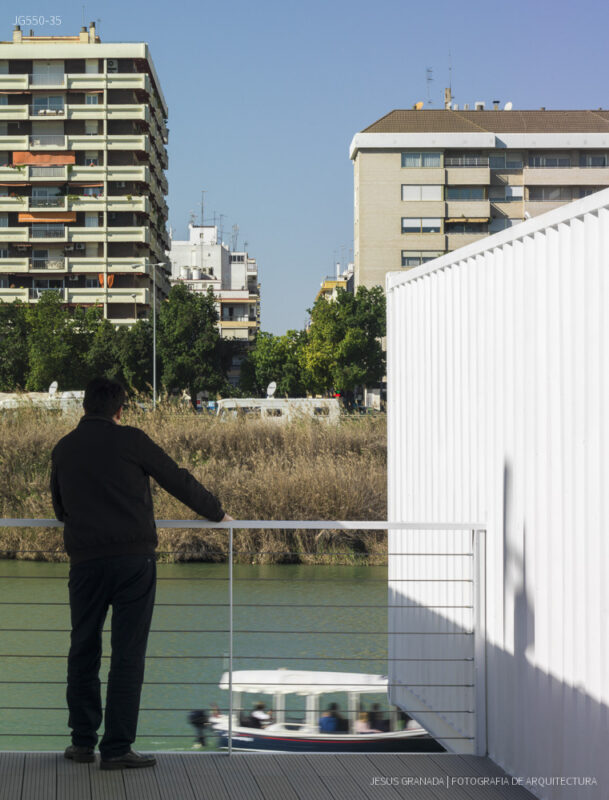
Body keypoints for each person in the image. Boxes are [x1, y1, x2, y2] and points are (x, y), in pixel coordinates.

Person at [51, 377, 232, 770]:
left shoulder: (63, 448)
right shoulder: (132, 440)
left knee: (83, 648)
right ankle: (116, 750)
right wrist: (218, 514)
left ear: (85, 407)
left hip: (84, 564)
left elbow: (59, 508)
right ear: (119, 410)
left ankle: (82, 743)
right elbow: (176, 479)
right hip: (134, 562)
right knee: (127, 656)